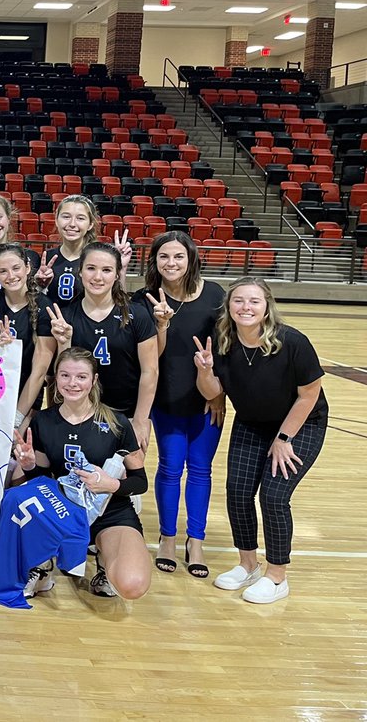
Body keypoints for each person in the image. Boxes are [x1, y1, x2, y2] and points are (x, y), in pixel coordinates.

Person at [193, 278, 327, 605]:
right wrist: (205, 371)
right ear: (229, 306)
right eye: (238, 300)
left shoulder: (292, 341)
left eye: (254, 301)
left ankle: (277, 577)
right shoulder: (222, 342)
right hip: (252, 423)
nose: (246, 307)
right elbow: (213, 393)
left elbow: (309, 394)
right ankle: (248, 565)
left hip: (300, 424)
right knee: (238, 492)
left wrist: (284, 438)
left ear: (267, 306)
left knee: (274, 496)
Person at [12, 348, 151, 601]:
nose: (72, 383)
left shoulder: (116, 422)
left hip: (109, 511)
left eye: (81, 377)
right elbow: (40, 481)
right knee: (17, 493)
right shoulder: (43, 421)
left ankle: (104, 562)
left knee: (132, 585)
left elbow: (140, 482)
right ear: (55, 378)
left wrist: (111, 484)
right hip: (62, 508)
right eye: (65, 375)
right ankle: (42, 566)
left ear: (94, 380)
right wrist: (30, 465)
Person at [134, 232, 225, 578]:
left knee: (201, 469)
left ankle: (196, 541)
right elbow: (150, 357)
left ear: (191, 259)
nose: (171, 263)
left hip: (207, 400)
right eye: (163, 257)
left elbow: (226, 350)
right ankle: (168, 538)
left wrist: (219, 393)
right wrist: (161, 324)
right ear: (154, 261)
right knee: (171, 467)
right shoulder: (145, 299)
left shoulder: (215, 295)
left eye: (178, 256)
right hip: (167, 399)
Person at [46, 242, 158, 449]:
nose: (98, 277)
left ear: (117, 274)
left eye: (106, 270)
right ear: (80, 271)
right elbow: (62, 374)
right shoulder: (66, 316)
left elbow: (150, 371)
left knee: (129, 471)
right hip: (78, 416)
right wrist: (64, 343)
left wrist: (141, 420)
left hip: (126, 415)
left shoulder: (138, 315)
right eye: (91, 268)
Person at [0, 243, 55, 424]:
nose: (11, 276)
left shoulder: (44, 306)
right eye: (3, 271)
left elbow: (40, 370)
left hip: (27, 399)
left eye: (16, 268)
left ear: (27, 268)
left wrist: (18, 417)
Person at [33, 195, 98, 304]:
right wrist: (40, 287)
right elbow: (35, 303)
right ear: (56, 220)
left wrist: (122, 269)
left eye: (80, 218)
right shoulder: (46, 258)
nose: (72, 224)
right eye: (66, 217)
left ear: (90, 224)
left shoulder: (97, 259)